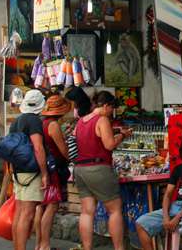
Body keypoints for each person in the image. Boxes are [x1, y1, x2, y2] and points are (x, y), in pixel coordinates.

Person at [74, 91, 131, 250]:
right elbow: (109, 145)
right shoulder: (102, 119)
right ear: (106, 106)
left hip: (80, 170)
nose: (112, 112)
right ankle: (119, 248)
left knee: (86, 212)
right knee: (114, 210)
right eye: (112, 108)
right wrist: (122, 135)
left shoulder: (81, 121)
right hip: (98, 168)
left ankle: (86, 248)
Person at [9, 89, 50, 250]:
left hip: (18, 171)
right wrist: (45, 173)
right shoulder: (34, 121)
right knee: (27, 214)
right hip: (31, 172)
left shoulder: (16, 122)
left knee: (20, 213)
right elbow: (38, 148)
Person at [34, 95, 71, 250]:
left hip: (43, 167)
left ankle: (38, 244)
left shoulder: (41, 123)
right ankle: (45, 245)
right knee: (52, 206)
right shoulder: (53, 125)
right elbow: (62, 150)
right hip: (53, 169)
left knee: (40, 206)